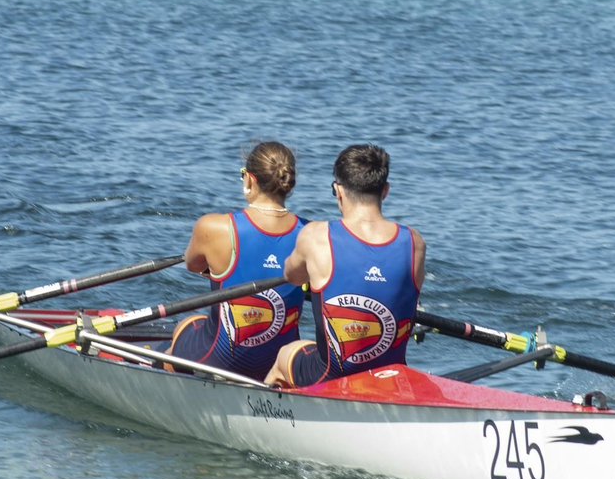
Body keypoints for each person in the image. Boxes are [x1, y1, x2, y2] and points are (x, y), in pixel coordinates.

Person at [266, 144, 426, 388]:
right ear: (385, 191)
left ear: (338, 191)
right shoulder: (414, 242)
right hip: (391, 375)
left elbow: (291, 276)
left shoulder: (316, 236)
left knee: (286, 354)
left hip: (331, 377)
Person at [164, 141, 307, 380]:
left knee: (186, 326)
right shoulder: (313, 234)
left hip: (220, 360)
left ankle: (162, 373)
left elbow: (193, 265)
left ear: (249, 179)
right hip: (280, 360)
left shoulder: (213, 226)